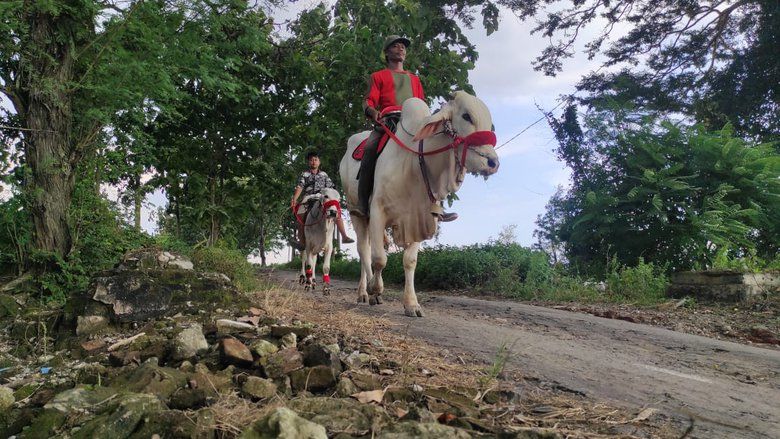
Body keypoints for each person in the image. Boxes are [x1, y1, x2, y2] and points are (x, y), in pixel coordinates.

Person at [357, 35, 458, 222]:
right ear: (387, 52)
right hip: (389, 121)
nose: (401, 49)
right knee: (370, 149)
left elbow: (421, 105)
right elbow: (368, 101)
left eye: (403, 47)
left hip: (414, 122)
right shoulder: (377, 76)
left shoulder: (414, 79)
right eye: (395, 46)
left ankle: (437, 204)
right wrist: (372, 111)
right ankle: (363, 204)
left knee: (436, 152)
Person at [290, 151, 354, 250]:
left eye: (315, 160)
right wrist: (294, 199)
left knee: (336, 210)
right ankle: (302, 242)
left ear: (319, 162)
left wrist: (337, 198)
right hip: (308, 198)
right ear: (308, 162)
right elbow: (300, 187)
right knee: (300, 214)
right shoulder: (305, 174)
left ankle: (344, 236)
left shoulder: (324, 175)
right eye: (311, 160)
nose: (313, 162)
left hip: (322, 197)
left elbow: (331, 187)